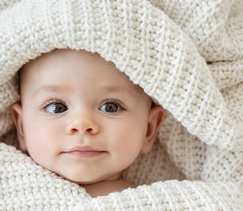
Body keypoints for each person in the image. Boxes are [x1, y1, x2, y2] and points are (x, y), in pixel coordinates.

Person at [11, 49, 165, 197]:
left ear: (149, 129)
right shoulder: (4, 187)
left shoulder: (155, 205)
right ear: (22, 127)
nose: (82, 124)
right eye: (57, 107)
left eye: (111, 107)